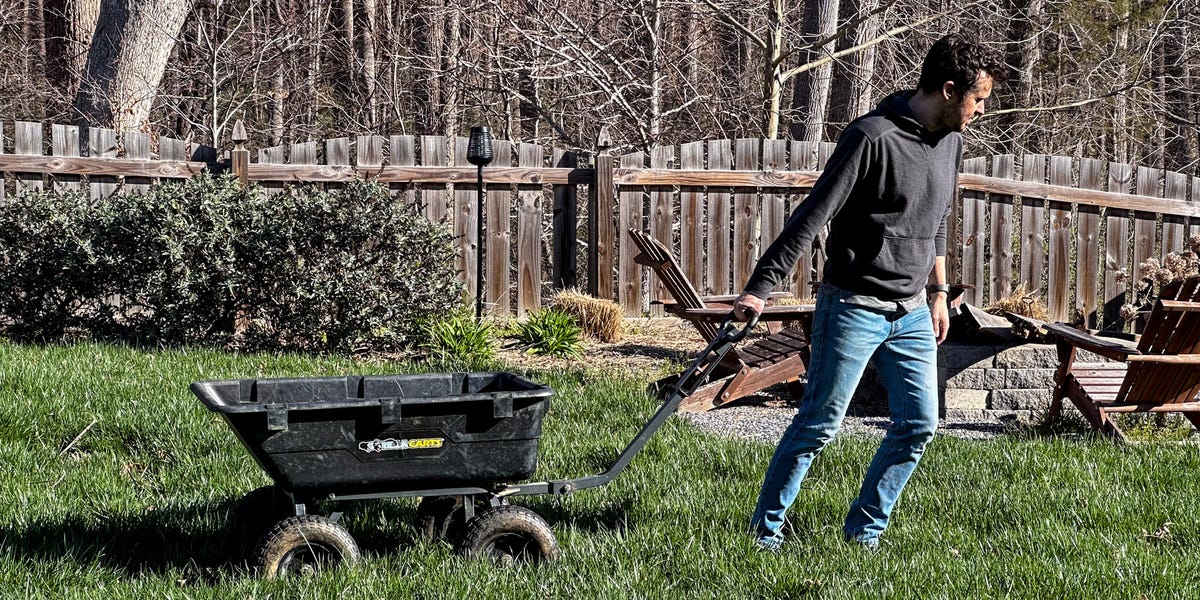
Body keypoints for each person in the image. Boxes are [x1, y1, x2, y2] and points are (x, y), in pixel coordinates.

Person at [733, 32, 1007, 552]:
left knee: (919, 425)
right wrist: (759, 289)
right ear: (949, 91)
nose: (979, 112)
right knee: (819, 424)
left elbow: (937, 219)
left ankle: (865, 534)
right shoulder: (871, 137)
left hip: (911, 313)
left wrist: (938, 291)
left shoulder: (951, 142)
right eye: (977, 100)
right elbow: (812, 218)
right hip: (854, 305)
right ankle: (763, 535)